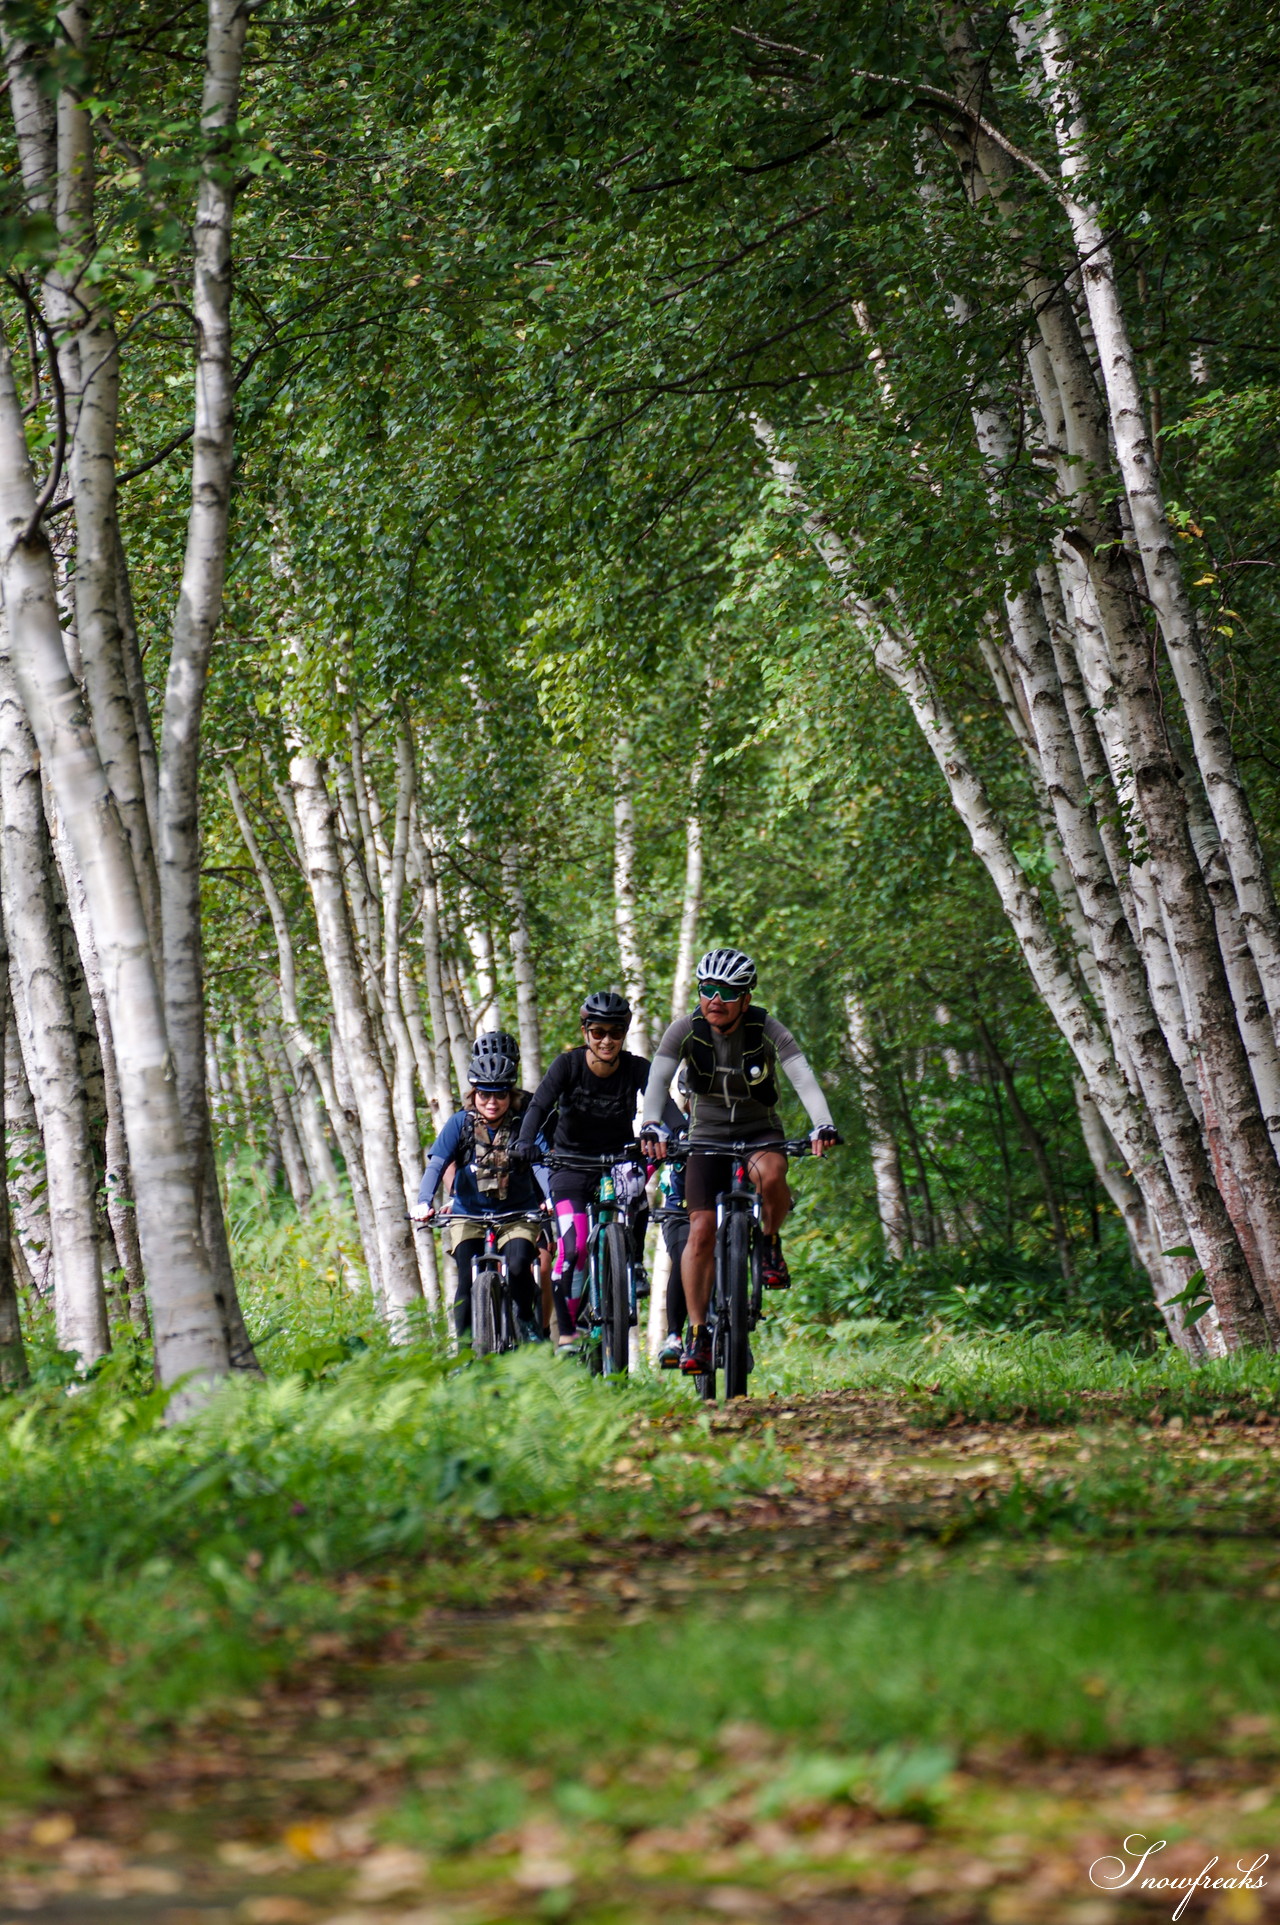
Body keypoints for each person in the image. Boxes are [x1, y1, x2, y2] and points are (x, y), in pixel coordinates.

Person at [641, 947, 837, 1376]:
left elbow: (802, 1077)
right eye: (707, 990)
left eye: (727, 993)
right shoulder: (685, 1031)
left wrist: (822, 1124)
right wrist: (652, 1124)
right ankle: (696, 1334)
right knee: (700, 1230)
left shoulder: (768, 1029)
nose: (715, 1000)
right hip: (706, 1135)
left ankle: (769, 1242)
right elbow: (657, 1077)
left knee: (772, 1173)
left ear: (746, 998)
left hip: (758, 1130)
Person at [512, 990, 681, 1348]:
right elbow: (539, 1106)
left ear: (624, 1033)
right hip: (569, 1164)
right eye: (598, 1032)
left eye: (615, 1032)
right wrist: (525, 1142)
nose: (607, 1040)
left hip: (617, 1160)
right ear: (585, 1031)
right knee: (573, 1249)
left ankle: (631, 1261)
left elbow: (663, 1105)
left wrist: (681, 1134)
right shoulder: (567, 1065)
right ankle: (568, 1332)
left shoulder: (637, 1068)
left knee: (635, 1182)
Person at [411, 1031, 546, 1346]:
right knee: (465, 1282)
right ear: (474, 1094)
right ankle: (466, 1349)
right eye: (484, 1094)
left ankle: (524, 1319)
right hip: (468, 1214)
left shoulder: (524, 1123)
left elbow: (540, 1165)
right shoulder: (459, 1123)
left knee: (517, 1265)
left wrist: (550, 1198)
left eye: (499, 1095)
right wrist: (423, 1201)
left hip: (517, 1215)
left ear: (509, 1095)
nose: (492, 1102)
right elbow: (438, 1163)